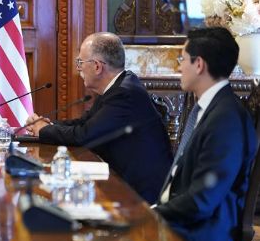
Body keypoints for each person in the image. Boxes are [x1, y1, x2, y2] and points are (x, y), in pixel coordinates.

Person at [155, 27, 257, 241]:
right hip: (184, 225)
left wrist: (151, 215)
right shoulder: (211, 107)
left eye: (182, 59)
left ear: (199, 64)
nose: (179, 67)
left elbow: (202, 201)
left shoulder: (226, 120)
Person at [25, 32, 172, 204]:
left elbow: (85, 135)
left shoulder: (124, 94)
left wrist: (44, 130)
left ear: (97, 66)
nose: (78, 68)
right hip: (122, 181)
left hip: (139, 194)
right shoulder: (118, 86)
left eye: (80, 62)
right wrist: (47, 125)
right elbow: (83, 123)